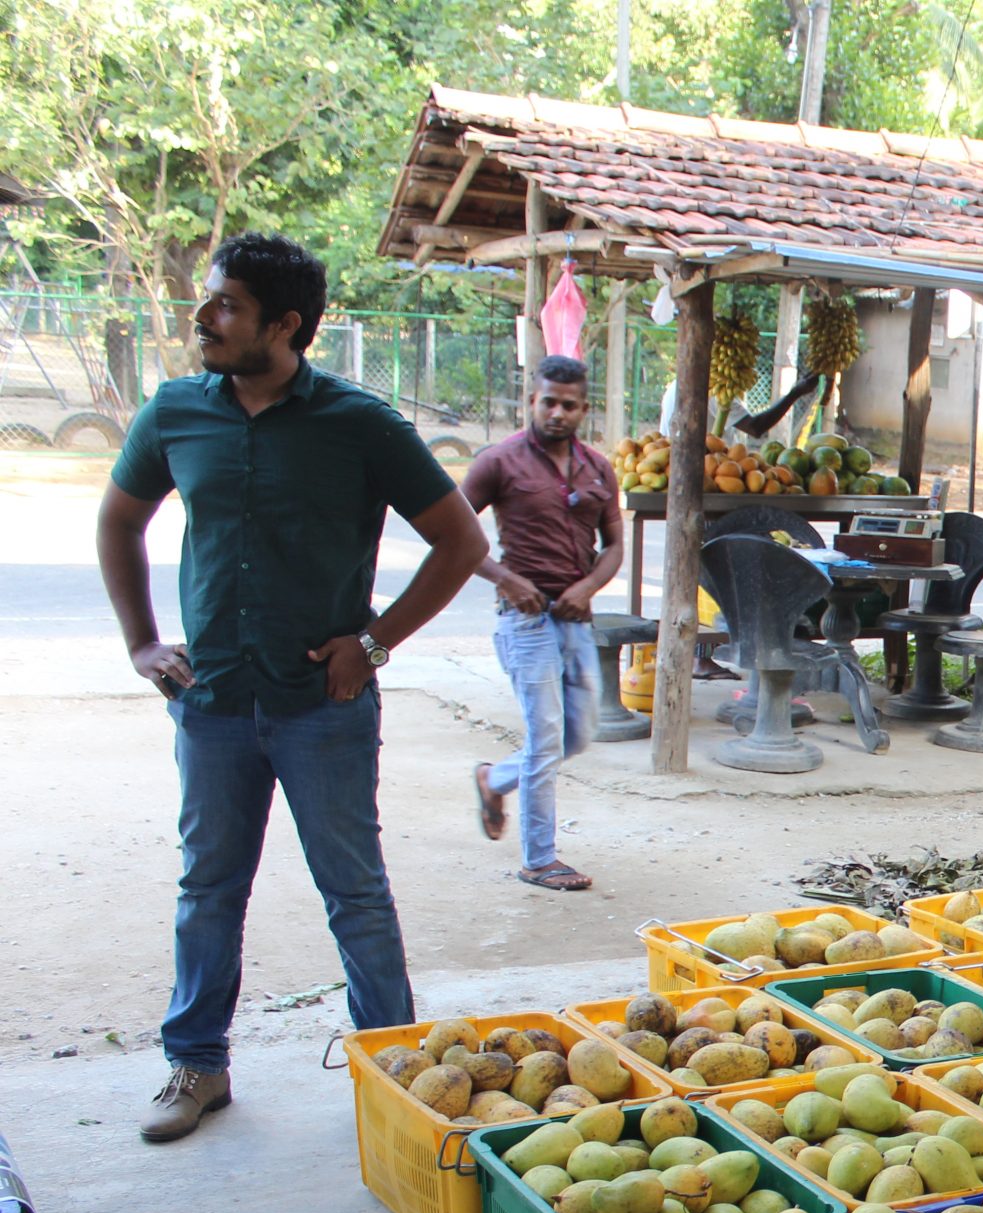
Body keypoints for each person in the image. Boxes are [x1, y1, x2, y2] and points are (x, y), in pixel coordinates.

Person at [97, 232, 489, 1141]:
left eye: (226, 305)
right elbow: (120, 520)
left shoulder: (359, 423)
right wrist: (144, 643)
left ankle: (396, 1077)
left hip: (325, 708)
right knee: (208, 887)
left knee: (354, 892)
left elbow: (463, 544)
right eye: (211, 302)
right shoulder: (176, 413)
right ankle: (197, 1066)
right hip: (215, 704)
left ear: (286, 325)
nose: (205, 318)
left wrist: (374, 642)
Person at [464, 355, 624, 892]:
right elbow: (451, 534)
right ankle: (539, 858)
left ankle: (494, 779)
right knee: (545, 735)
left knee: (576, 734)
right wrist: (505, 579)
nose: (558, 412)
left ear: (584, 409)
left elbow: (615, 544)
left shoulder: (598, 468)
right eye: (548, 401)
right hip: (524, 621)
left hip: (575, 619)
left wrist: (587, 588)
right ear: (532, 400)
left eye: (569, 405)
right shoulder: (499, 462)